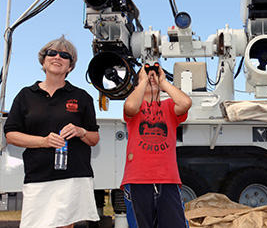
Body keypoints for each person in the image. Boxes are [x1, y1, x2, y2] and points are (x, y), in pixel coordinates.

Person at [4, 35, 100, 228]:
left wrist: (81, 131)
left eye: (65, 55)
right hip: (38, 174)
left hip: (73, 175)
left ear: (70, 67)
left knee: (65, 225)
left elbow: (94, 138)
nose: (57, 57)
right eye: (52, 53)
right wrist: (44, 141)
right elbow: (11, 135)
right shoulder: (26, 95)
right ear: (43, 61)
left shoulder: (81, 97)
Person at [121, 63, 192, 228]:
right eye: (146, 78)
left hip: (168, 180)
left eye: (153, 77)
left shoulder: (168, 108)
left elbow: (186, 103)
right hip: (138, 180)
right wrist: (143, 81)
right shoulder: (136, 108)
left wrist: (163, 82)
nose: (151, 79)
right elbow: (130, 107)